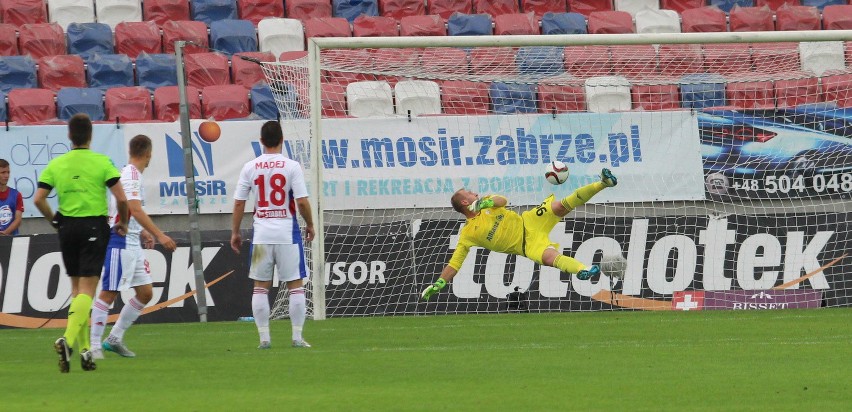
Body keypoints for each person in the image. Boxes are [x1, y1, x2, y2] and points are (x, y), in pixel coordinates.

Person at [421, 168, 618, 301]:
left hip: (530, 220)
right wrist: (439, 283)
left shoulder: (487, 203)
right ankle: (583, 270)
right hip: (526, 245)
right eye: (471, 193)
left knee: (560, 205)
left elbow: (502, 200)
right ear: (464, 203)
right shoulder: (467, 234)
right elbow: (455, 262)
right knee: (550, 257)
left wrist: (486, 203)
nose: (475, 194)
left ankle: (603, 183)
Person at [33, 113, 129, 373]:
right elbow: (121, 198)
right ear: (91, 135)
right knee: (87, 290)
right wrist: (124, 222)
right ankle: (67, 340)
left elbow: (39, 199)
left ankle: (86, 353)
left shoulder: (57, 164)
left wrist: (54, 221)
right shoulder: (101, 162)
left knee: (77, 292)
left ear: (69, 135)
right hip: (93, 227)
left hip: (67, 228)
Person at [90, 135, 178, 360]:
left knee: (145, 292)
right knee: (108, 293)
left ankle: (115, 338)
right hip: (120, 242)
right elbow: (134, 208)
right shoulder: (130, 174)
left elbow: (128, 211)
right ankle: (94, 346)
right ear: (148, 154)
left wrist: (143, 231)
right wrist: (160, 234)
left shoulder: (130, 174)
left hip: (132, 242)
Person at [230, 120, 315, 349]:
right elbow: (302, 201)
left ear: (261, 142)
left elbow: (239, 203)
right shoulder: (291, 166)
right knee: (295, 286)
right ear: (282, 140)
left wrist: (235, 232)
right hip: (288, 233)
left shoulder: (250, 167)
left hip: (261, 236)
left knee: (260, 287)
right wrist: (310, 224)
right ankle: (297, 337)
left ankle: (264, 338)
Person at [0, 159, 23, 235]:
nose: (6, 176)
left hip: (12, 240)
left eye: (8, 172)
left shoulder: (16, 195)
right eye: (3, 173)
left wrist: (5, 233)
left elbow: (18, 219)